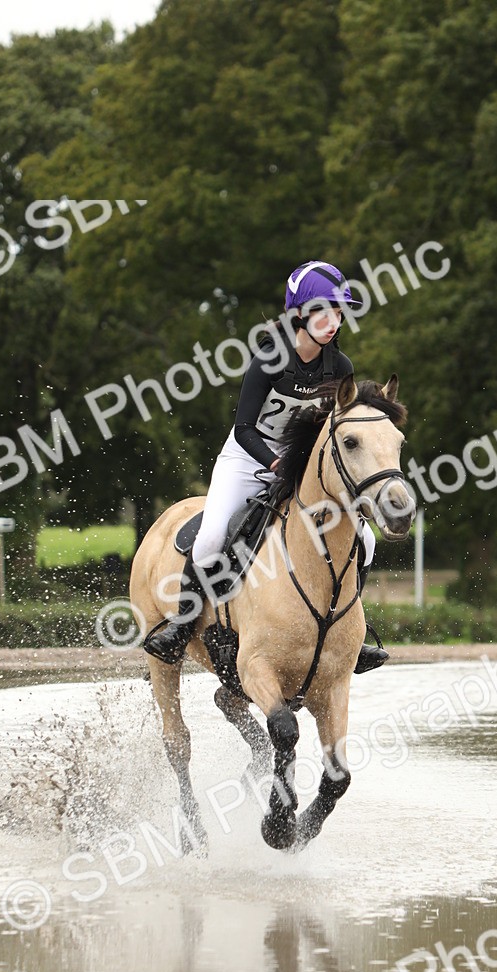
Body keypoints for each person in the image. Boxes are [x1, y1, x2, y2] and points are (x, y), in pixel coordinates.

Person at [143, 260, 387, 673]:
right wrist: (275, 463)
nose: (334, 322)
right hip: (247, 457)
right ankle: (181, 627)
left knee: (368, 541)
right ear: (300, 315)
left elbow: (334, 426)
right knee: (209, 540)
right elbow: (242, 429)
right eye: (324, 312)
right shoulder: (270, 360)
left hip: (303, 462)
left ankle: (351, 635)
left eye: (339, 312)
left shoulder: (340, 367)